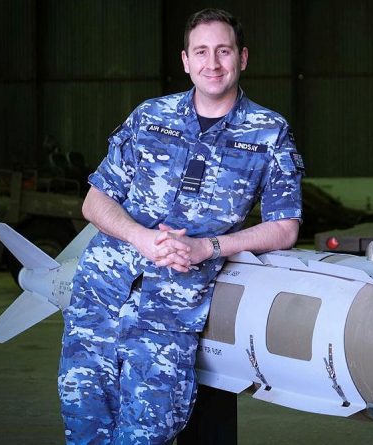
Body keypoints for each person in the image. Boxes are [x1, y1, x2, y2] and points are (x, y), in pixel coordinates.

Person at [57, 8, 303, 444]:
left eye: (223, 51)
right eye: (201, 52)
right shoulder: (150, 117)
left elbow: (285, 227)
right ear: (186, 61)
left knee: (148, 431)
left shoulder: (269, 132)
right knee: (84, 423)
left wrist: (208, 248)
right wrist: (142, 237)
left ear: (242, 58)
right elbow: (96, 201)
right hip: (100, 295)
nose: (213, 63)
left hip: (170, 310)